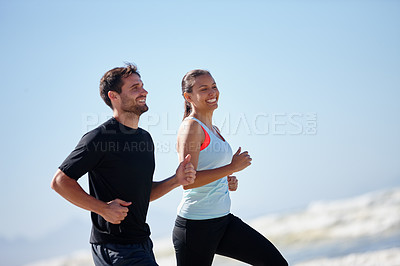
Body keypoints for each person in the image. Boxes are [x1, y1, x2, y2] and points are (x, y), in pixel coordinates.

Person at [50, 63, 196, 266]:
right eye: (134, 87)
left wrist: (176, 180)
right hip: (115, 247)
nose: (144, 91)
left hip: (142, 243)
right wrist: (103, 208)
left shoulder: (145, 139)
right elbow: (60, 181)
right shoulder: (99, 138)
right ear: (114, 96)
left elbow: (143, 194)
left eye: (142, 85)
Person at [172, 69, 288, 266]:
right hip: (196, 226)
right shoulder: (191, 127)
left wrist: (225, 181)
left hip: (223, 220)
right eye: (204, 89)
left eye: (214, 87)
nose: (212, 92)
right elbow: (187, 181)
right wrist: (230, 168)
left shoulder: (213, 129)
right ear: (188, 96)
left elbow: (207, 171)